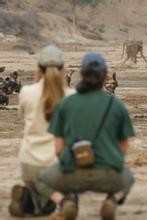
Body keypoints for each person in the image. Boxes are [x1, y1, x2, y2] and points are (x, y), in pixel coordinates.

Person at [35, 53, 135, 220]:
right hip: (108, 173)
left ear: (82, 75)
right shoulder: (116, 105)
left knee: (40, 181)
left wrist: (70, 163)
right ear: (104, 77)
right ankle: (111, 200)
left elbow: (58, 148)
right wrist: (111, 161)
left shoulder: (65, 103)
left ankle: (66, 202)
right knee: (129, 178)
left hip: (73, 172)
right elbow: (124, 147)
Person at [9, 45, 75, 217]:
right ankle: (62, 200)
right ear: (63, 70)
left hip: (29, 161)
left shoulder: (26, 92)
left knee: (37, 186)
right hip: (59, 164)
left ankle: (28, 200)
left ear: (39, 68)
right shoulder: (72, 96)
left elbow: (21, 118)